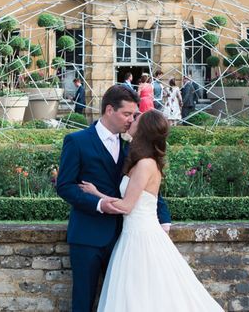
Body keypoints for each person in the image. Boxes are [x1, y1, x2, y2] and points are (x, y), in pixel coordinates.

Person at [81, 110, 223, 311]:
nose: (132, 120)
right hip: (132, 235)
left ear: (144, 128)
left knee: (144, 293)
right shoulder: (141, 160)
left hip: (141, 238)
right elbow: (128, 202)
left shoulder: (145, 164)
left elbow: (126, 206)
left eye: (136, 118)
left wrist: (96, 195)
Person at [56, 85, 171, 312]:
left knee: (124, 301)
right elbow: (65, 186)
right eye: (126, 114)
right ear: (109, 110)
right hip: (87, 237)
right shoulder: (77, 141)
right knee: (83, 301)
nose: (130, 120)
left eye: (133, 115)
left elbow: (145, 189)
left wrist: (163, 218)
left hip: (123, 239)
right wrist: (98, 204)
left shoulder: (132, 148)